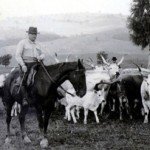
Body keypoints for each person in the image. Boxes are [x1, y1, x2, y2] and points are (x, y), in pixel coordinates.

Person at [15, 27, 45, 106]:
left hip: (37, 63)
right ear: (28, 34)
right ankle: (24, 98)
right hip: (26, 63)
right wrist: (23, 65)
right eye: (32, 34)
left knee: (46, 75)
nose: (34, 36)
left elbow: (43, 54)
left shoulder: (38, 44)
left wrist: (40, 57)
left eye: (35, 34)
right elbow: (17, 55)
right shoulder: (22, 43)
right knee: (24, 79)